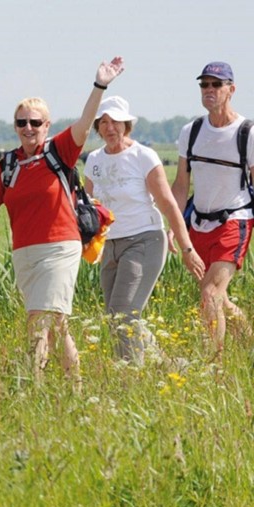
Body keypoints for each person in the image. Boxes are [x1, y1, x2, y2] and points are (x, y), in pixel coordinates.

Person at [0, 57, 125, 381]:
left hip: (60, 248)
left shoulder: (59, 150)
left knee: (38, 320)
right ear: (15, 127)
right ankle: (74, 387)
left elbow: (85, 124)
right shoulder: (8, 165)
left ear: (47, 125)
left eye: (35, 122)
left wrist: (100, 85)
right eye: (21, 123)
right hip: (24, 253)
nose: (28, 128)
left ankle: (33, 387)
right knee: (56, 323)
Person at [85, 95, 205, 365]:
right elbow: (91, 208)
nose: (109, 127)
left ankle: (131, 376)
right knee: (116, 317)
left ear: (127, 125)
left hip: (144, 241)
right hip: (110, 246)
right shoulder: (93, 160)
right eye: (103, 122)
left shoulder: (143, 156)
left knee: (123, 313)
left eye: (116, 121)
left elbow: (168, 204)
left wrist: (187, 249)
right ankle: (170, 366)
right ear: (98, 127)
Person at [170, 61, 254, 356]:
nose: (209, 89)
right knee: (220, 300)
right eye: (204, 84)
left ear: (231, 89)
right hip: (198, 224)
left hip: (234, 220)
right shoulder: (191, 131)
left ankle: (215, 366)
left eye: (216, 84)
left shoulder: (247, 133)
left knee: (210, 294)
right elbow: (181, 184)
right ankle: (249, 346)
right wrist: (174, 225)